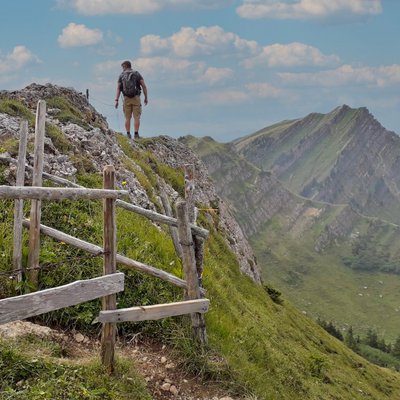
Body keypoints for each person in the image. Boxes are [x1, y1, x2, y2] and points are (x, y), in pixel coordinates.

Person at [115, 60, 148, 139]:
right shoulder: (136, 74)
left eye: (123, 67)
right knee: (136, 117)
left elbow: (118, 88)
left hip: (126, 98)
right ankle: (136, 134)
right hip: (136, 97)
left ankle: (128, 134)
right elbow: (143, 85)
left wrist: (116, 100)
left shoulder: (121, 75)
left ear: (125, 66)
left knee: (127, 118)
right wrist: (146, 97)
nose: (122, 69)